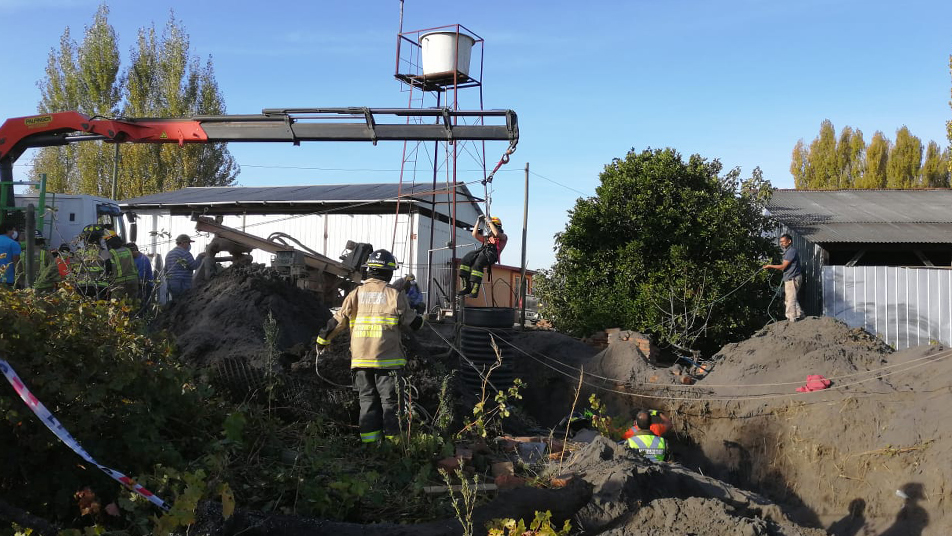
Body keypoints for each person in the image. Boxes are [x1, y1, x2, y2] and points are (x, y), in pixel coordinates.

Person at [315, 249, 424, 445]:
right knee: (390, 403)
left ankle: (370, 446)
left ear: (369, 271)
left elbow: (336, 321)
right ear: (389, 273)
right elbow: (413, 324)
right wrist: (422, 318)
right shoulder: (394, 295)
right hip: (388, 361)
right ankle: (394, 446)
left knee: (367, 401)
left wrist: (323, 340)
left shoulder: (355, 294)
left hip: (361, 361)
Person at [458, 215, 507, 298]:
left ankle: (475, 289)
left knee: (478, 263)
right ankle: (466, 286)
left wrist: (489, 221)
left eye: (492, 226)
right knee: (465, 260)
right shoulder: (487, 238)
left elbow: (496, 233)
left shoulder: (503, 236)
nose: (490, 228)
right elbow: (474, 234)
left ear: (497, 226)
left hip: (491, 254)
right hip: (482, 251)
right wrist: (478, 221)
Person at [763, 233, 803, 322]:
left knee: (790, 299)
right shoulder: (788, 251)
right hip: (791, 277)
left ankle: (791, 318)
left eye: (783, 242)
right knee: (791, 297)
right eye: (780, 242)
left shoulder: (791, 251)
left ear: (789, 241)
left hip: (792, 278)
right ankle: (800, 315)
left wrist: (770, 266)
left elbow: (783, 267)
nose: (781, 243)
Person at [72, 224, 109, 299]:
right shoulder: (104, 253)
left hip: (82, 287)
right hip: (100, 287)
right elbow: (110, 269)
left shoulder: (79, 253)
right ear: (99, 239)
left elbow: (74, 271)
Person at [164, 234, 204, 301]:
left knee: (175, 302)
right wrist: (199, 257)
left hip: (170, 283)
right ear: (183, 243)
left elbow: (165, 269)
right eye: (188, 243)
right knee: (182, 302)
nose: (189, 245)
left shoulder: (169, 254)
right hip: (182, 283)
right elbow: (194, 265)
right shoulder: (185, 253)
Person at [103, 231, 138, 302]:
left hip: (119, 284)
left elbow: (106, 267)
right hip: (133, 281)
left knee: (116, 307)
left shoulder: (109, 253)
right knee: (132, 305)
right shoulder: (128, 250)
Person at [0, 221, 21, 289]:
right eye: (13, 230)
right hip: (8, 278)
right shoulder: (13, 244)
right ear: (8, 230)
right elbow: (16, 263)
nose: (14, 232)